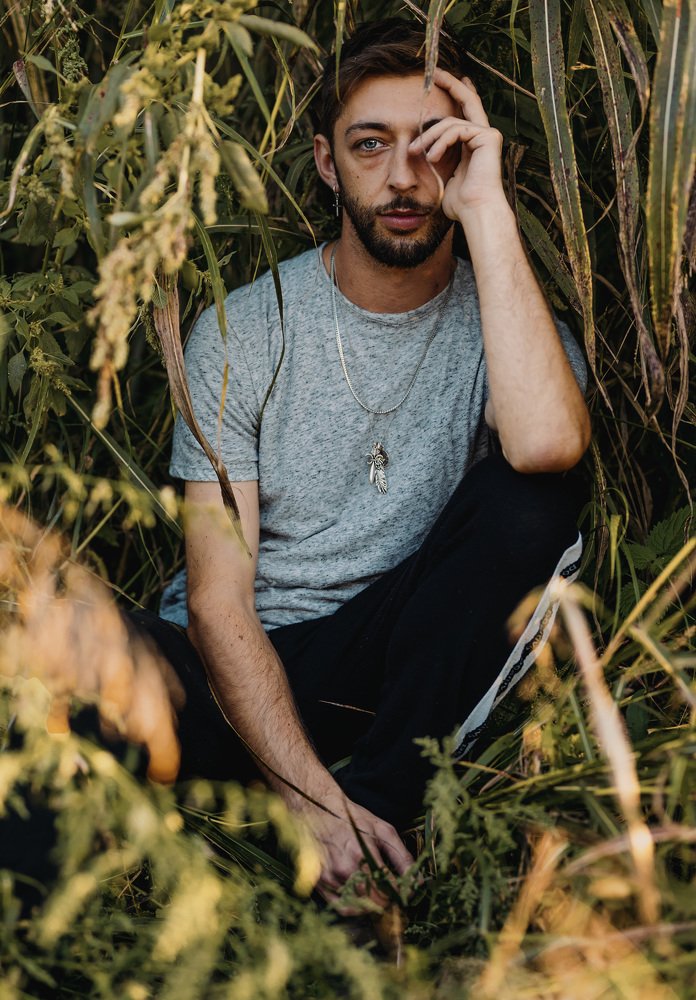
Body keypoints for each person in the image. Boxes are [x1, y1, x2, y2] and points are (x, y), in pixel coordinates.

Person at [137, 18, 591, 904]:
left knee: (533, 503)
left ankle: (369, 836)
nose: (403, 177)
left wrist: (486, 208)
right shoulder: (245, 329)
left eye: (432, 145)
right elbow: (218, 599)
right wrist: (307, 794)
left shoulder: (508, 320)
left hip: (390, 666)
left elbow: (546, 449)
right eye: (370, 145)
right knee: (78, 655)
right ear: (325, 161)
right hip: (235, 670)